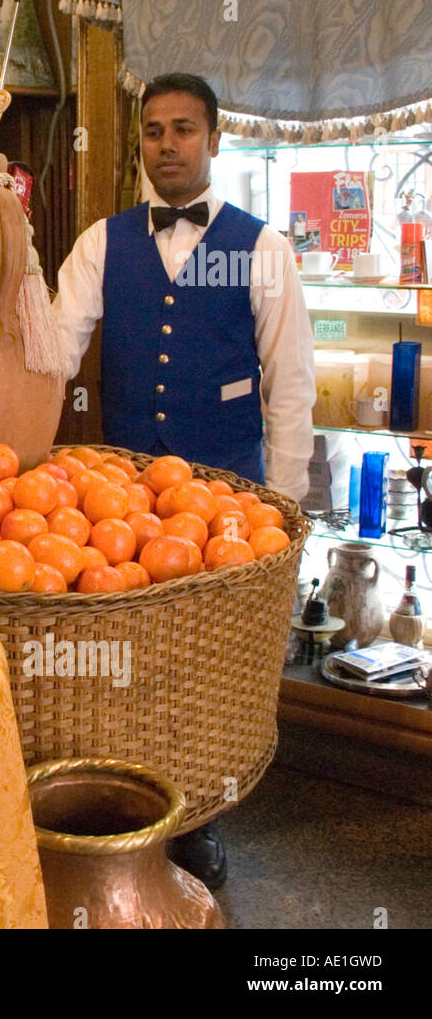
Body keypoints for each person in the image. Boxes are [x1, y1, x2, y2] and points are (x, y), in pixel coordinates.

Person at [52, 72, 316, 888]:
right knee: (133, 665)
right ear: (139, 140)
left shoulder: (264, 248)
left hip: (231, 507)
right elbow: (53, 355)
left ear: (214, 139)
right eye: (155, 131)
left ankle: (202, 816)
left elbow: (292, 382)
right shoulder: (102, 241)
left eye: (184, 130)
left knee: (208, 673)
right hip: (123, 504)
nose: (168, 145)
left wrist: (289, 503)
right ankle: (130, 814)